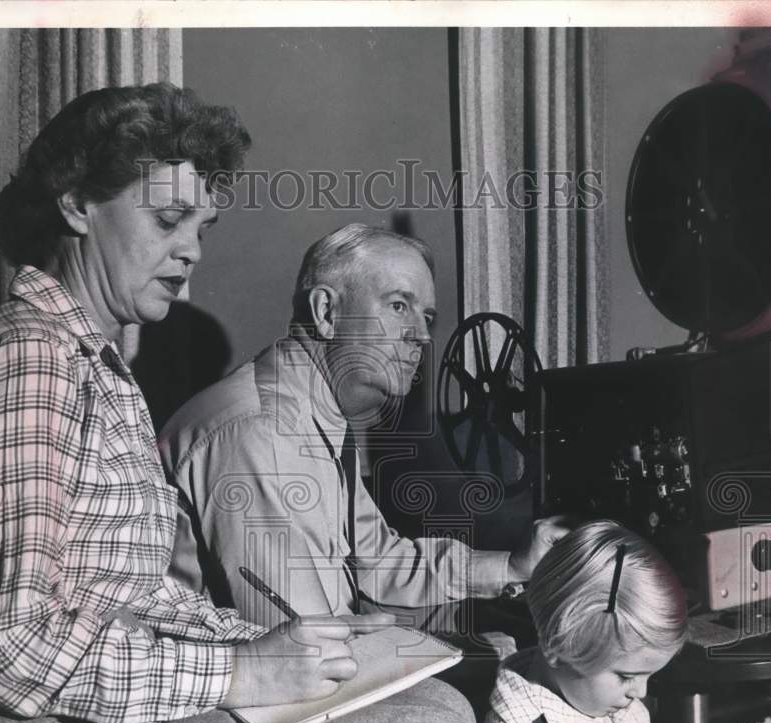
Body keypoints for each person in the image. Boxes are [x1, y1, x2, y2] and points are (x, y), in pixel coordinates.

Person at [0, 83, 483, 723]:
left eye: (201, 228)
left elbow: (135, 596)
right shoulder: (27, 356)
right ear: (78, 203)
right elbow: (9, 647)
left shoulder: (99, 372)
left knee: (427, 707)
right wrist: (241, 672)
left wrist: (261, 645)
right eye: (169, 219)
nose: (189, 251)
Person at [159, 223, 568, 629]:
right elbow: (303, 648)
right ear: (327, 313)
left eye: (427, 316)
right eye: (398, 306)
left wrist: (513, 567)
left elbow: (380, 563)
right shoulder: (263, 433)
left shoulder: (318, 415)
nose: (423, 336)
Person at [478, 520, 688, 723]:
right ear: (558, 648)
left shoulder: (630, 715)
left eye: (649, 675)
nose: (641, 692)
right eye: (626, 676)